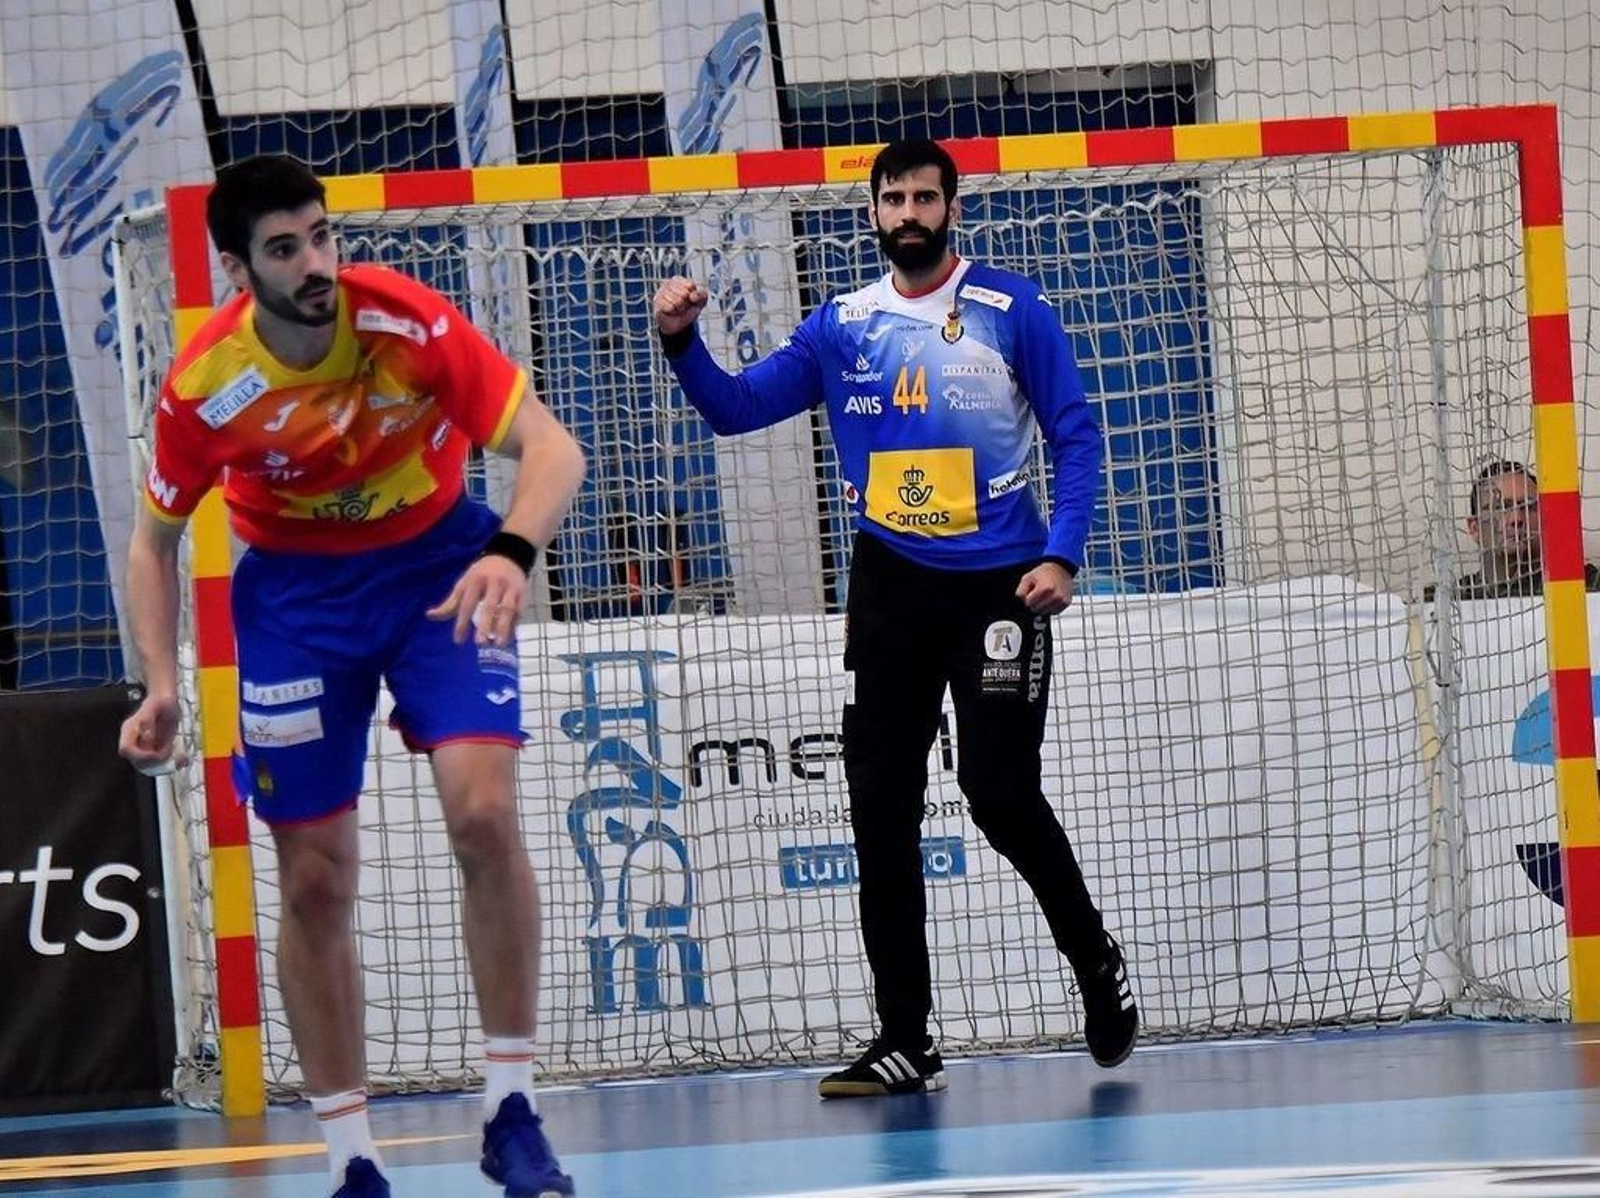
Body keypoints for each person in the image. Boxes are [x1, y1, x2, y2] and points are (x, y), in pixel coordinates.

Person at [117, 156, 585, 1198]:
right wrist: (160, 683)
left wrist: (510, 552)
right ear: (239, 267)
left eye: (322, 236)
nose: (316, 263)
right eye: (286, 249)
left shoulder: (406, 324)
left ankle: (512, 1110)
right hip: (296, 603)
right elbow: (153, 543)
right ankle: (353, 1160)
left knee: (483, 815)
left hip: (439, 569)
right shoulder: (206, 386)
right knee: (315, 878)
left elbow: (554, 449)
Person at [651, 138, 1137, 1098]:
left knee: (998, 792)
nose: (908, 213)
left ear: (951, 208)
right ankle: (906, 1038)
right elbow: (736, 409)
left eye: (924, 197)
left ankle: (1095, 957)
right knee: (880, 810)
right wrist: (680, 342)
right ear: (872, 212)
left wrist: (1062, 553)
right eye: (893, 199)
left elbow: (1076, 435)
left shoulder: (1012, 308)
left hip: (1000, 585)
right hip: (891, 587)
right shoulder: (842, 326)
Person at [1449, 461, 1600, 599]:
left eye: (1529, 506)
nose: (1517, 518)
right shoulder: (1454, 599)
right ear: (1475, 529)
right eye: (1499, 508)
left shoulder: (1591, 585)